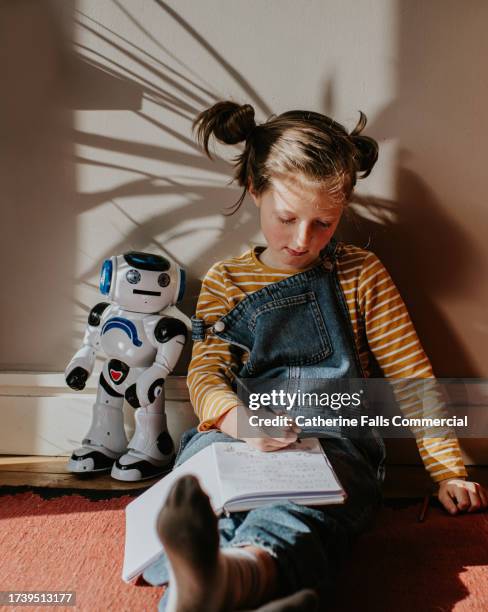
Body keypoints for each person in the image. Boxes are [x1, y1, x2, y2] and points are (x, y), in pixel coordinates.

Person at [143, 101, 488, 612]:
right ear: (255, 189)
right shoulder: (226, 281)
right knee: (199, 498)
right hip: (236, 438)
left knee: (303, 509)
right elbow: (206, 374)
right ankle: (215, 580)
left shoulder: (360, 273)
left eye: (323, 224)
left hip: (331, 441)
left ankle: (240, 573)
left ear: (343, 210)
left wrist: (448, 470)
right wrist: (238, 421)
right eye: (287, 218)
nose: (302, 241)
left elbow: (410, 376)